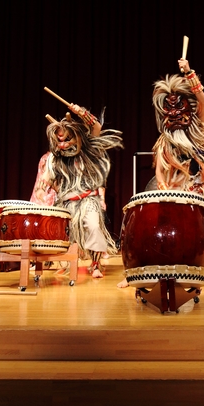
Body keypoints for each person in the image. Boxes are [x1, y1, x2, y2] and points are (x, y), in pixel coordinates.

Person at [130, 57, 204, 290]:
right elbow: (159, 173)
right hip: (172, 194)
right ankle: (138, 275)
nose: (175, 113)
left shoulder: (197, 128)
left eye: (180, 106)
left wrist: (190, 74)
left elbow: (202, 102)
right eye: (169, 108)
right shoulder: (163, 144)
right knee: (153, 231)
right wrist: (164, 193)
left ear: (188, 106)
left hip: (198, 193)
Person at [43, 101, 122, 278]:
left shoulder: (88, 151)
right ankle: (68, 264)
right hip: (67, 203)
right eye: (59, 141)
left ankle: (96, 264)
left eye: (67, 139)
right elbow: (49, 181)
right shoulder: (55, 160)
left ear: (77, 137)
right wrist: (63, 193)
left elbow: (96, 127)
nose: (63, 145)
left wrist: (81, 112)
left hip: (88, 201)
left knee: (93, 227)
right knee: (67, 235)